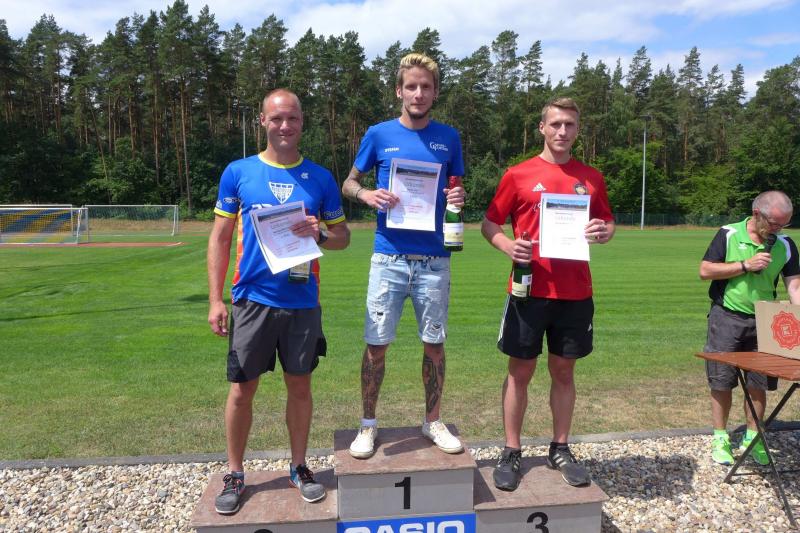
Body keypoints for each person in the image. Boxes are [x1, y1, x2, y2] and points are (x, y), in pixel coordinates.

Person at [207, 89, 350, 514]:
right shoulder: (239, 172)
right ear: (262, 122)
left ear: (302, 121)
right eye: (276, 118)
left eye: (292, 118)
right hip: (251, 299)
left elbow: (342, 238)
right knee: (242, 389)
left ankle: (299, 466)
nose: (284, 126)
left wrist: (319, 232)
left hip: (302, 300)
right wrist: (216, 299)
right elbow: (220, 238)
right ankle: (235, 472)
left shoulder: (320, 178)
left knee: (300, 385)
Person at [481, 97, 615, 491]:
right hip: (528, 290)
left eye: (569, 125)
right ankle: (511, 450)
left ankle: (560, 448)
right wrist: (508, 246)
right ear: (542, 127)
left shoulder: (591, 177)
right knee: (520, 371)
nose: (562, 131)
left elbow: (607, 222)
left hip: (575, 291)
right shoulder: (518, 174)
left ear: (578, 129)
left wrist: (604, 232)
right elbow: (489, 223)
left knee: (564, 370)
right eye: (555, 124)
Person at [341, 52, 466, 458]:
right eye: (411, 86)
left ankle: (433, 421)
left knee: (434, 344)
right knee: (376, 345)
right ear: (399, 90)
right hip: (389, 258)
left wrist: (458, 197)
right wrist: (366, 194)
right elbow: (349, 182)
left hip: (435, 261)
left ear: (435, 92)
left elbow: (455, 189)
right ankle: (367, 425)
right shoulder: (378, 134)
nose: (418, 93)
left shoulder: (449, 138)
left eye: (425, 86)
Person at [699, 191, 800, 466]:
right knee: (721, 381)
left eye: (785, 224)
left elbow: (794, 287)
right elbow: (705, 270)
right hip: (726, 317)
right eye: (775, 223)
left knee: (759, 384)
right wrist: (745, 265)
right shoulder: (729, 234)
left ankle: (753, 439)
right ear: (757, 214)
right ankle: (720, 438)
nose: (779, 229)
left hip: (766, 322)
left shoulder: (785, 244)